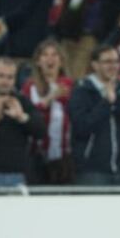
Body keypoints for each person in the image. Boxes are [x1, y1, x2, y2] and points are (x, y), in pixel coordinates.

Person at [69, 44, 120, 185]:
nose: (113, 66)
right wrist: (106, 103)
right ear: (95, 65)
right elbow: (81, 128)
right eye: (107, 61)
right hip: (92, 171)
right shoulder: (81, 90)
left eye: (116, 61)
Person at [22, 39, 74, 184]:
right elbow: (27, 115)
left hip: (64, 156)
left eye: (54, 55)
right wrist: (50, 98)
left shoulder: (70, 85)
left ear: (61, 61)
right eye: (45, 55)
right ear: (38, 61)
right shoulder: (29, 86)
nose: (50, 59)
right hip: (35, 155)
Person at [0, 57, 45, 186]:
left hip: (16, 175)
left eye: (10, 77)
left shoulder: (22, 101)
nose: (5, 81)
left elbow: (41, 132)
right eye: (0, 76)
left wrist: (22, 117)